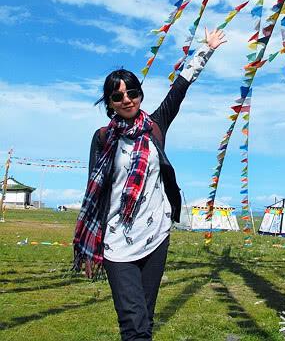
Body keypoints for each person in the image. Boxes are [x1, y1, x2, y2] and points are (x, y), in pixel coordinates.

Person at [73, 28, 226, 341]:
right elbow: (95, 196)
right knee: (134, 325)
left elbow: (180, 88)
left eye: (132, 92)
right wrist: (92, 249)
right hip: (117, 244)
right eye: (118, 96)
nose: (127, 99)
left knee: (145, 318)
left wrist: (205, 50)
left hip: (156, 237)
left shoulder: (155, 126)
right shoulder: (103, 139)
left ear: (140, 94)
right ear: (110, 103)